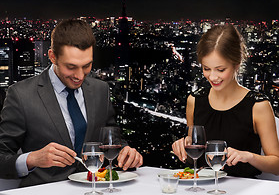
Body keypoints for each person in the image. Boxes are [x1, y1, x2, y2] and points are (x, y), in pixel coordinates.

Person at [0, 19, 143, 187]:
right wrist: (32, 159)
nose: (80, 76)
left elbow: (111, 140)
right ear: (52, 56)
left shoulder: (101, 90)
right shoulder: (21, 95)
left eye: (87, 65)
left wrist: (126, 153)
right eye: (71, 67)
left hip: (96, 188)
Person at [172, 24, 279, 178]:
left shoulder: (258, 106)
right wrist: (182, 146)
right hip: (201, 188)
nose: (212, 77)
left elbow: (277, 165)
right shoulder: (194, 101)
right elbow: (194, 158)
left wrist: (249, 156)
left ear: (236, 64)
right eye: (206, 68)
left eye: (220, 70)